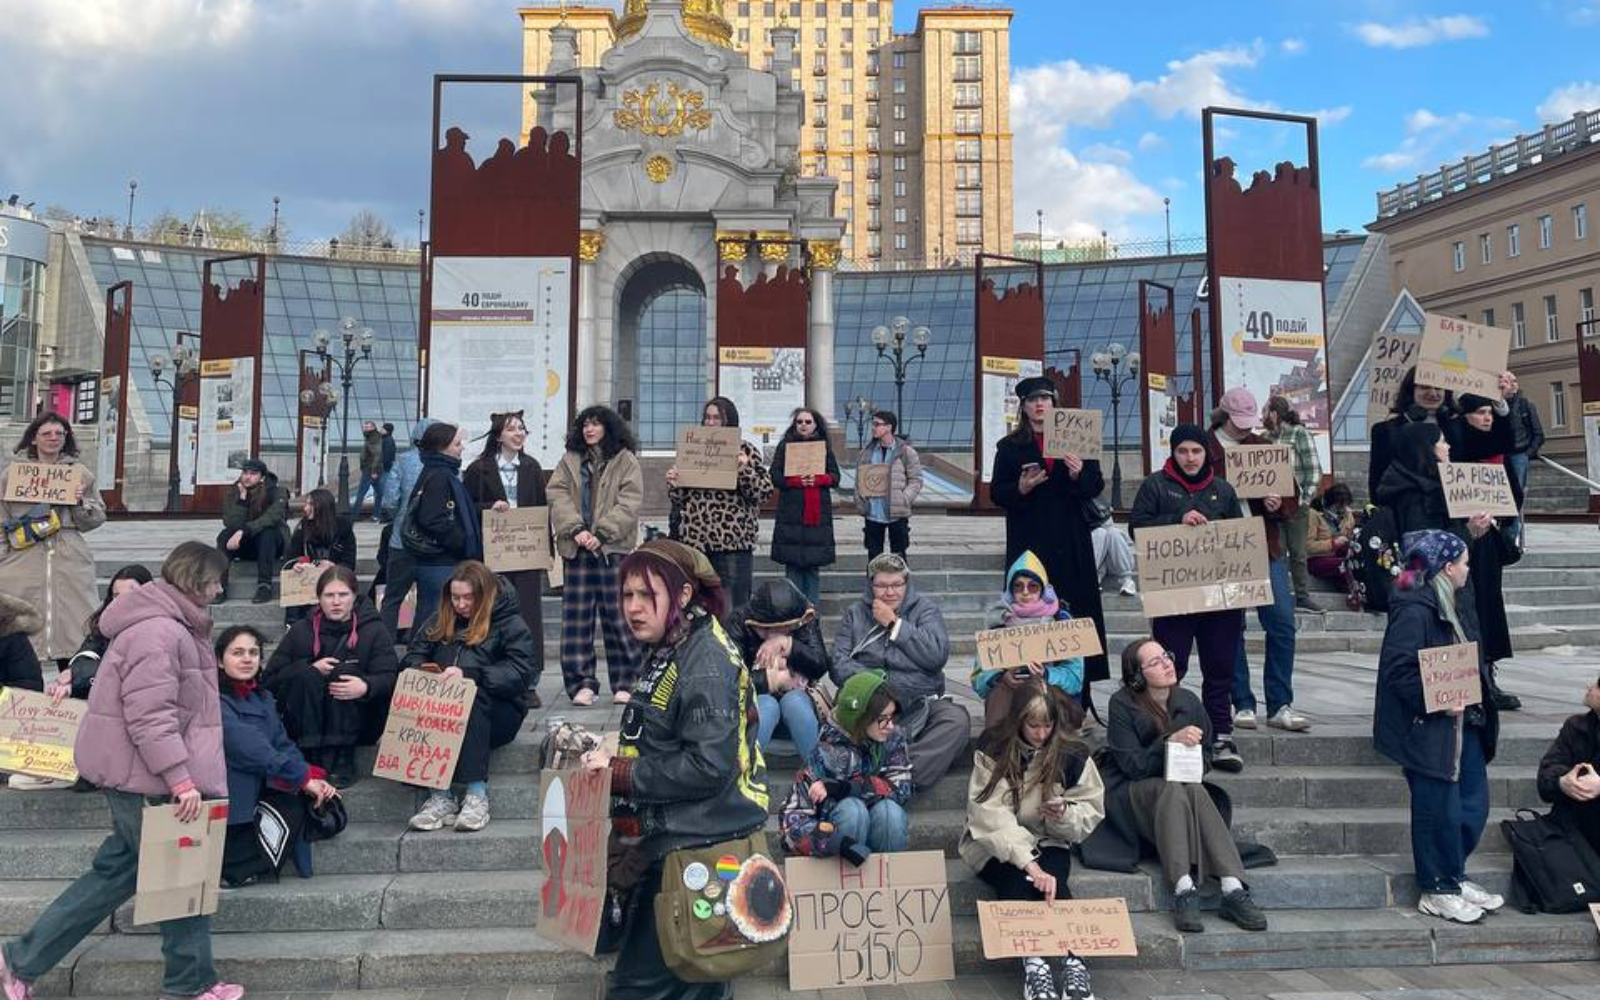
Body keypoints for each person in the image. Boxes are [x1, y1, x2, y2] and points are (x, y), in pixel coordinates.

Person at [0, 541, 243, 1000]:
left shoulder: (168, 625)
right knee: (172, 871)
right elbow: (150, 715)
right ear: (195, 580)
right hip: (148, 778)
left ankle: (189, 980)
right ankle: (22, 960)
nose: (218, 589)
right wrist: (181, 778)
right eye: (214, 580)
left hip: (142, 775)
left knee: (153, 873)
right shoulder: (160, 632)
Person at [579, 539, 769, 1000]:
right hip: (676, 839)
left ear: (683, 596)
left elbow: (709, 766)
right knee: (697, 979)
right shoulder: (677, 644)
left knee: (639, 986)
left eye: (647, 595)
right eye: (627, 596)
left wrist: (621, 773)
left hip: (693, 845)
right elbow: (668, 736)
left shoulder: (704, 661)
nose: (633, 608)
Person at [1092, 638, 1267, 934]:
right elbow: (1132, 767)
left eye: (1166, 656)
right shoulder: (1122, 703)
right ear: (1137, 675)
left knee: (1193, 789)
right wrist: (1168, 743)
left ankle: (1232, 888)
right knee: (1171, 789)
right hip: (1133, 792)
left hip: (1183, 788)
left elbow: (1208, 755)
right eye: (1155, 662)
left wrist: (1194, 759)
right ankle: (1184, 888)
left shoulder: (1187, 699)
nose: (1167, 664)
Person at [1373, 529, 1502, 924]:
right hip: (1429, 727)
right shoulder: (1415, 609)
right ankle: (1437, 886)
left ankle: (1454, 874)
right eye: (1464, 562)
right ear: (1447, 567)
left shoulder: (1454, 601)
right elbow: (1399, 671)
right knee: (1437, 810)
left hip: (1467, 723)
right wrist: (1438, 701)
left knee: (1472, 805)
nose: (1468, 570)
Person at [961, 680, 1103, 1000]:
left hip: (1049, 838)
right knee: (1018, 880)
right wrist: (1028, 863)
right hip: (993, 842)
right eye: (1033, 725)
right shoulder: (994, 746)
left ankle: (1073, 959)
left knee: (1054, 884)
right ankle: (1034, 962)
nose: (1041, 734)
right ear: (1018, 721)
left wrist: (1065, 813)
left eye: (1047, 725)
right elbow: (989, 814)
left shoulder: (1073, 753)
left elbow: (1090, 809)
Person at [1128, 425, 1247, 772]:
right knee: (1170, 667)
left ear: (1206, 453)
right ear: (1174, 452)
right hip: (1174, 594)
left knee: (1220, 667)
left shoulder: (1222, 490)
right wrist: (1176, 520)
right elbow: (1137, 526)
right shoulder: (1155, 485)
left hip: (1218, 598)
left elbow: (1238, 537)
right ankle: (1170, 731)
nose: (1190, 458)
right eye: (1183, 451)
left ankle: (1221, 734)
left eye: (1196, 451)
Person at [990, 376, 1109, 703]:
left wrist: (1076, 473)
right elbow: (997, 492)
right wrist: (1022, 488)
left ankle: (1078, 699)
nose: (1039, 405)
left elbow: (1094, 485)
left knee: (1076, 615)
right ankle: (1030, 695)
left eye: (1045, 398)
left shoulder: (1077, 437)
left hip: (1071, 541)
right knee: (1029, 612)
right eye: (1032, 400)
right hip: (1031, 541)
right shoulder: (1010, 447)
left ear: (1055, 403)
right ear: (1024, 407)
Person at [403, 561, 537, 834]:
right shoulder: (440, 618)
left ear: (484, 595)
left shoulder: (510, 622)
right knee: (427, 696)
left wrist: (470, 675)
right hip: (444, 708)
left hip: (498, 713)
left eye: (468, 597)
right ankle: (439, 795)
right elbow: (412, 657)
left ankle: (476, 795)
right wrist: (426, 673)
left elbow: (520, 672)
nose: (461, 604)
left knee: (470, 696)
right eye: (455, 597)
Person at [1209, 389, 1306, 735]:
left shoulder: (1264, 448)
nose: (1244, 429)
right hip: (1225, 548)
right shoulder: (1204, 449)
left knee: (1282, 623)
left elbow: (1293, 505)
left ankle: (1280, 702)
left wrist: (1277, 503)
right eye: (1238, 423)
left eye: (1248, 423)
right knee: (1232, 627)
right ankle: (1242, 702)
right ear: (1223, 415)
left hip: (1266, 547)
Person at [832, 553, 969, 789]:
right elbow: (838, 664)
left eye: (897, 585)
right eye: (882, 586)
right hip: (870, 700)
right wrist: (878, 684)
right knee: (844, 716)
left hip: (918, 699)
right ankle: (880, 767)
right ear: (870, 585)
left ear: (907, 583)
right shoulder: (855, 614)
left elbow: (936, 656)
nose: (890, 592)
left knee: (956, 720)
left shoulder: (925, 610)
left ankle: (896, 776)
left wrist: (895, 625)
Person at [216, 625, 339, 888]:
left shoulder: (263, 697)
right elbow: (248, 747)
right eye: (237, 652)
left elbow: (282, 743)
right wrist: (301, 778)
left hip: (268, 780)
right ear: (219, 660)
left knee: (321, 803)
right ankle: (238, 864)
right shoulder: (214, 699)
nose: (247, 658)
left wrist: (310, 775)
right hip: (234, 789)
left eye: (253, 652)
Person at [262, 565, 399, 787]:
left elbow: (390, 676)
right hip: (307, 724)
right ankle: (310, 755)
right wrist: (308, 667)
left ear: (354, 596)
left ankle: (343, 758)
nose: (336, 602)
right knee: (305, 674)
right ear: (319, 598)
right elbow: (269, 681)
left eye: (343, 595)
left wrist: (366, 686)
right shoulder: (300, 631)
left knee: (345, 673)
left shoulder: (374, 630)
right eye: (329, 595)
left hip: (359, 722)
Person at [548, 405, 643, 706]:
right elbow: (557, 495)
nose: (589, 430)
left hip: (611, 549)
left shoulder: (625, 460)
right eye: (585, 425)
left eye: (595, 424)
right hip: (577, 548)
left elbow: (629, 502)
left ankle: (626, 681)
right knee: (576, 619)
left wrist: (601, 533)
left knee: (618, 617)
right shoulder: (570, 460)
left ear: (608, 428)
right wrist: (576, 529)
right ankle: (581, 684)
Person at [0, 413, 107, 662]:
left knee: (75, 630)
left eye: (60, 433)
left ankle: (72, 687)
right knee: (22, 640)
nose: (53, 438)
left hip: (68, 557)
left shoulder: (80, 473)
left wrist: (80, 501)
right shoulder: (12, 474)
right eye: (46, 433)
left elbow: (94, 520)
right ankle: (24, 698)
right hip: (22, 557)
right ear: (34, 439)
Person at [780, 669, 912, 863]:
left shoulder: (892, 740)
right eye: (882, 719)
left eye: (892, 717)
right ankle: (846, 884)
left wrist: (847, 788)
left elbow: (902, 788)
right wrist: (836, 842)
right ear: (860, 717)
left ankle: (888, 885)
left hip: (880, 830)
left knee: (889, 813)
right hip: (838, 843)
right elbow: (791, 827)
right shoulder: (824, 752)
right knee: (853, 811)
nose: (890, 726)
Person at [462, 409, 548, 705]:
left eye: (523, 429)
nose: (519, 434)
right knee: (492, 612)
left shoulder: (532, 467)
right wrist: (489, 506)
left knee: (528, 615)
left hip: (524, 554)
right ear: (499, 435)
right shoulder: (479, 469)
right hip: (493, 553)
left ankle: (529, 679)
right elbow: (467, 508)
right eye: (513, 429)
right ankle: (493, 674)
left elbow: (541, 510)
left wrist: (544, 553)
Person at [666, 396, 773, 616]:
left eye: (717, 417)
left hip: (732, 544)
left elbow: (763, 492)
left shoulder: (747, 450)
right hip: (697, 542)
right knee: (700, 606)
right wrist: (674, 483)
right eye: (707, 417)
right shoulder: (693, 448)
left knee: (734, 608)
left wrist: (744, 469)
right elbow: (680, 500)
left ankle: (734, 649)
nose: (711, 422)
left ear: (729, 420)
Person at [1449, 392, 1522, 711]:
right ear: (1464, 417)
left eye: (1490, 412)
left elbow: (1514, 495)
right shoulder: (1458, 443)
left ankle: (1488, 676)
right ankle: (1468, 678)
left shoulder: (1496, 457)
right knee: (1466, 607)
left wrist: (1499, 515)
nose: (1487, 417)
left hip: (1489, 540)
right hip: (1461, 538)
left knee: (1489, 606)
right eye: (1480, 412)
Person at [970, 551, 1086, 730]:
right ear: (1010, 589)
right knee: (999, 694)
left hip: (1050, 691)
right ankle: (995, 754)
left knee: (1044, 698)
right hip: (1011, 692)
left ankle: (1054, 755)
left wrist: (1046, 675)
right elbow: (978, 678)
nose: (1025, 592)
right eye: (1018, 586)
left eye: (1032, 587)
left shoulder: (1062, 621)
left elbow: (1075, 678)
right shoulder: (997, 621)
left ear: (1042, 589)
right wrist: (1001, 677)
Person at [736, 579, 829, 760]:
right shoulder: (739, 622)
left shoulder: (805, 616)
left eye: (784, 628)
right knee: (766, 706)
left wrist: (789, 645)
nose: (775, 634)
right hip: (753, 702)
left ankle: (818, 775)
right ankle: (744, 772)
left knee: (795, 703)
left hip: (798, 698)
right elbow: (728, 678)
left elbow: (819, 665)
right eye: (768, 630)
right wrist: (772, 680)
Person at [404, 422, 482, 630]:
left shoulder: (438, 471)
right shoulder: (439, 475)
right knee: (435, 618)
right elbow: (432, 519)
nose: (462, 448)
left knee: (436, 617)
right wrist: (461, 541)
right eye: (457, 444)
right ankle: (423, 660)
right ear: (442, 447)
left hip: (438, 561)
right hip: (439, 562)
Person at [770, 407, 840, 606]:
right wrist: (795, 481)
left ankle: (812, 613)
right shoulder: (785, 446)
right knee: (792, 570)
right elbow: (774, 476)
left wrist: (819, 479)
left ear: (816, 424)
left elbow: (835, 477)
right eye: (800, 422)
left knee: (812, 571)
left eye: (808, 422)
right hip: (791, 516)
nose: (803, 425)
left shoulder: (823, 447)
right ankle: (793, 612)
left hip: (816, 519)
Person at [56, 565, 154, 705]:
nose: (122, 601)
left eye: (130, 595)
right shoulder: (105, 625)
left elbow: (127, 671)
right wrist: (73, 673)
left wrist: (78, 674)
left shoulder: (158, 628)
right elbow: (87, 653)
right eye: (116, 596)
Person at [378, 418, 439, 638]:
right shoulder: (446, 463)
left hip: (401, 541)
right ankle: (419, 648)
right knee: (429, 600)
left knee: (392, 597)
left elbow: (389, 501)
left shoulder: (402, 461)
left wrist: (400, 519)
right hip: (432, 544)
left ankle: (384, 646)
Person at [1263, 395, 1320, 611]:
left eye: (1265, 411)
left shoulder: (1299, 433)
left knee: (1297, 552)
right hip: (1271, 505)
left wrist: (1304, 500)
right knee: (1277, 550)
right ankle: (1280, 595)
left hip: (1296, 503)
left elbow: (1313, 469)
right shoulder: (1264, 437)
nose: (1262, 416)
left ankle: (1302, 596)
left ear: (1274, 413)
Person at [1536, 673, 1600, 855]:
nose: (1589, 687)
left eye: (1597, 685)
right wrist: (1562, 781)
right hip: (1573, 827)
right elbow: (1547, 772)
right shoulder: (1576, 726)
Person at [1369, 367, 1455, 498]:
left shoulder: (1458, 427)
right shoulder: (1385, 431)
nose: (1433, 393)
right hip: (1406, 510)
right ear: (1411, 390)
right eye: (1425, 387)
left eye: (1438, 388)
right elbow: (1377, 479)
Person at [215, 457, 289, 605]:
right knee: (223, 536)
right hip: (246, 545)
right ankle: (220, 586)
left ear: (262, 477)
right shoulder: (234, 492)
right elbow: (230, 522)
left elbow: (271, 517)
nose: (247, 477)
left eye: (253, 474)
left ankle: (264, 586)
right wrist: (242, 500)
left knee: (267, 532)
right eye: (245, 473)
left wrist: (245, 530)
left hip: (272, 546)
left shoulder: (278, 492)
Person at [854, 410, 924, 559]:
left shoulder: (906, 452)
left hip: (897, 514)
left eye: (877, 424)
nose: (873, 428)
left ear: (889, 427)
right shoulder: (866, 452)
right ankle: (872, 583)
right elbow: (859, 480)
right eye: (873, 424)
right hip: (873, 513)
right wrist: (860, 501)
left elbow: (916, 479)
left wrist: (905, 498)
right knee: (873, 558)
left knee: (899, 557)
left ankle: (901, 583)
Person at [284, 488, 357, 625]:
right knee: (295, 582)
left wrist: (333, 566)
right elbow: (291, 558)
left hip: (335, 577)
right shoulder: (302, 529)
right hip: (309, 579)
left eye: (310, 504)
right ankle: (292, 623)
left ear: (321, 507)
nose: (306, 508)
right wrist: (297, 565)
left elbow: (349, 563)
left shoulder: (343, 529)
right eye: (306, 504)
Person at [1501, 370, 1543, 547]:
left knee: (1514, 498)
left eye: (1515, 381)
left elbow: (1538, 434)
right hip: (1500, 455)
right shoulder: (1495, 406)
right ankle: (1503, 537)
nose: (1513, 384)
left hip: (1518, 455)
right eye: (1508, 381)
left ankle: (1511, 538)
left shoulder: (1525, 405)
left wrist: (1527, 454)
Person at [1086, 498, 1138, 597]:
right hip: (1093, 563)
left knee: (1112, 533)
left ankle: (1127, 580)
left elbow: (1109, 526)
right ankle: (1091, 580)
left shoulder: (1097, 503)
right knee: (1099, 534)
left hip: (1114, 560)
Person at [1306, 484, 1356, 582]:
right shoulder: (1313, 515)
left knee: (1357, 563)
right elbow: (1308, 546)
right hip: (1316, 559)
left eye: (1345, 505)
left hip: (1339, 556)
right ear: (1330, 503)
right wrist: (1333, 543)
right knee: (1345, 565)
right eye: (1339, 505)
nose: (1343, 509)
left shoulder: (1348, 516)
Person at [352, 420, 383, 517]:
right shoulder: (370, 437)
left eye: (367, 427)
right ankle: (376, 515)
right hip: (372, 469)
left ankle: (354, 515)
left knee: (361, 493)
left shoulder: (373, 438)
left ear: (373, 428)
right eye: (364, 427)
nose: (365, 429)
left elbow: (377, 455)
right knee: (379, 493)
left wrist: (374, 471)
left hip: (370, 470)